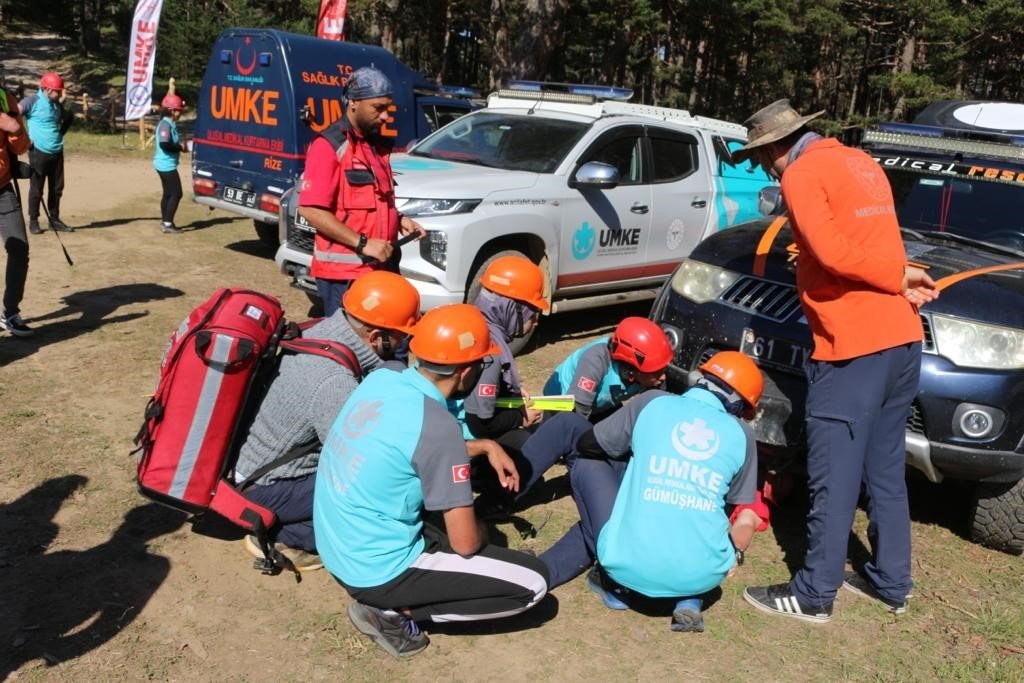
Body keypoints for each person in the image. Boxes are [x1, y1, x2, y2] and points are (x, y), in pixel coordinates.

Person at [731, 99, 939, 623]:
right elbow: (870, 240)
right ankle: (892, 581)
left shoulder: (801, 174)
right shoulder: (861, 163)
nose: (764, 169)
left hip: (854, 346)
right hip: (901, 338)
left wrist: (896, 277)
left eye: (760, 159)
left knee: (834, 470)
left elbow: (836, 255)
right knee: (885, 467)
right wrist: (898, 276)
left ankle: (814, 592)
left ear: (775, 149)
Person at [314, 303, 548, 658]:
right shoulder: (438, 426)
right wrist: (484, 532)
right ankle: (394, 614)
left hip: (337, 545)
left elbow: (409, 446)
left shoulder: (382, 379)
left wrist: (484, 445)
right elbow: (467, 543)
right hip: (376, 571)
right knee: (533, 582)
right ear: (467, 371)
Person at [537, 351, 765, 632]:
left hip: (625, 566)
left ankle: (612, 585)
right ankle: (688, 596)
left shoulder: (653, 403)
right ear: (739, 404)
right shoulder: (743, 435)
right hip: (703, 575)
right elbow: (731, 505)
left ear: (701, 379)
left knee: (585, 463)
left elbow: (590, 443)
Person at [236, 270, 420, 571]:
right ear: (375, 337)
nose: (407, 341)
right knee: (383, 489)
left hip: (249, 463)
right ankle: (288, 538)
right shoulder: (335, 381)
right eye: (402, 335)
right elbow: (356, 458)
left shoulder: (320, 330)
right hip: (264, 487)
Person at [298, 66, 425, 317]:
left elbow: (375, 201)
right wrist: (363, 244)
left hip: (379, 268)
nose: (386, 116)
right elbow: (311, 209)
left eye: (388, 108)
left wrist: (400, 220)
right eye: (378, 108)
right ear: (353, 103)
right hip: (345, 276)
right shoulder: (330, 145)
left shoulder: (373, 146)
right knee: (351, 349)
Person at [454, 255, 549, 448]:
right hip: (458, 436)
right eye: (533, 312)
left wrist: (505, 390)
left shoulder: (470, 322)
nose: (536, 321)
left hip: (442, 422)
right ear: (513, 309)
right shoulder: (489, 351)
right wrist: (521, 417)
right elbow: (480, 424)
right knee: (528, 449)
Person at [543, 316, 673, 422]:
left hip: (600, 405)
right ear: (633, 370)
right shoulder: (596, 361)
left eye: (663, 370)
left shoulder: (647, 371)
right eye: (656, 373)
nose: (663, 377)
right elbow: (577, 413)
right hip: (564, 404)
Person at [19, 71, 74, 234]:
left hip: (57, 151)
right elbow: (14, 115)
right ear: (48, 89)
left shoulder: (57, 104)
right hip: (38, 152)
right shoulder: (31, 102)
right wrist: (24, 139)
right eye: (58, 91)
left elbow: (69, 118)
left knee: (57, 188)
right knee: (37, 188)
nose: (61, 93)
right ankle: (34, 221)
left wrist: (59, 134)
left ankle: (54, 220)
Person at [0, 85, 33, 337]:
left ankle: (9, 312)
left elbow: (20, 148)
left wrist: (15, 129)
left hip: (2, 188)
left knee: (19, 247)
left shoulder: (4, 96)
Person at [153, 93, 187, 234]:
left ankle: (165, 221)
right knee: (177, 193)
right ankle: (167, 223)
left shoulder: (169, 124)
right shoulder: (165, 125)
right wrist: (181, 148)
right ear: (172, 110)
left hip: (165, 164)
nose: (180, 113)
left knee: (168, 193)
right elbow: (164, 145)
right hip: (166, 165)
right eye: (179, 110)